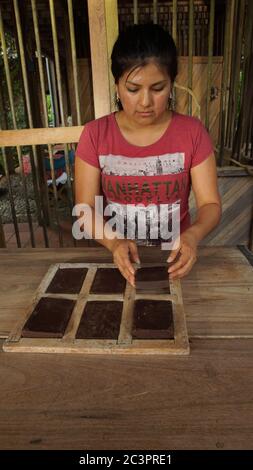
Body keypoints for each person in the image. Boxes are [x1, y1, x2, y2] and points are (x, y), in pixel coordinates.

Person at [75, 23, 221, 287]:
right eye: (133, 89)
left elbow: (210, 204)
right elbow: (85, 209)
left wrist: (193, 236)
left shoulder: (193, 132)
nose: (145, 102)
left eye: (158, 88)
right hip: (117, 259)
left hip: (175, 260)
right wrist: (114, 242)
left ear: (172, 83)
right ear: (117, 84)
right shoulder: (95, 134)